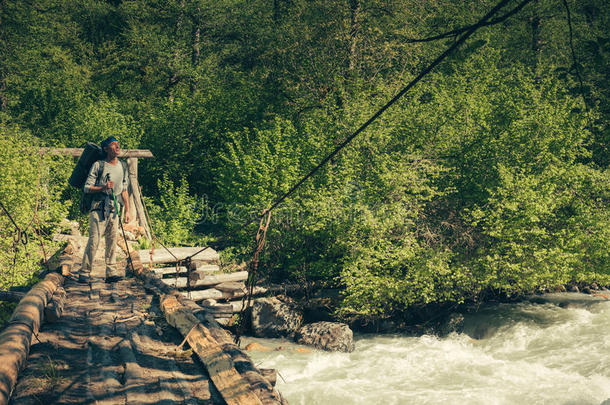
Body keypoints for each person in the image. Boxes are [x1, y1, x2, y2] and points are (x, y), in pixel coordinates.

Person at [79, 136, 130, 284]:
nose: (117, 147)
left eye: (118, 145)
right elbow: (87, 188)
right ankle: (84, 272)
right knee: (94, 241)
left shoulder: (123, 166)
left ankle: (111, 273)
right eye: (113, 145)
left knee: (112, 241)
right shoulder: (98, 165)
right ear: (106, 149)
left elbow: (124, 190)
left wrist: (127, 210)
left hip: (115, 209)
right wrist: (103, 187)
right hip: (98, 207)